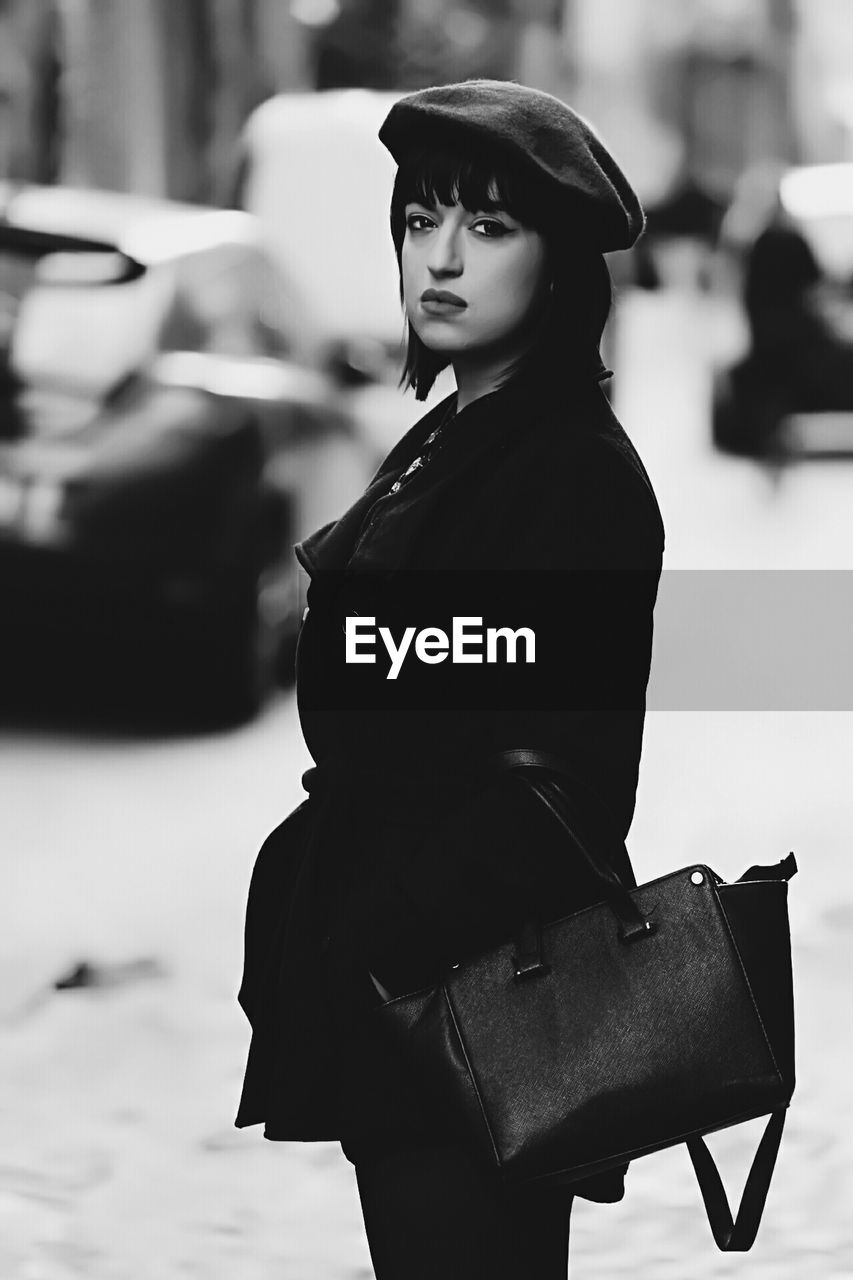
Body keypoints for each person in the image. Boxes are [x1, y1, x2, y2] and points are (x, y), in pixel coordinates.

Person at [235, 79, 665, 1279]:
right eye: (422, 220)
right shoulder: (451, 435)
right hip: (420, 1001)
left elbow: (566, 773)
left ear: (560, 259)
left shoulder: (567, 468)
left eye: (488, 226)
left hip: (478, 1004)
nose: (441, 258)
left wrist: (384, 931)